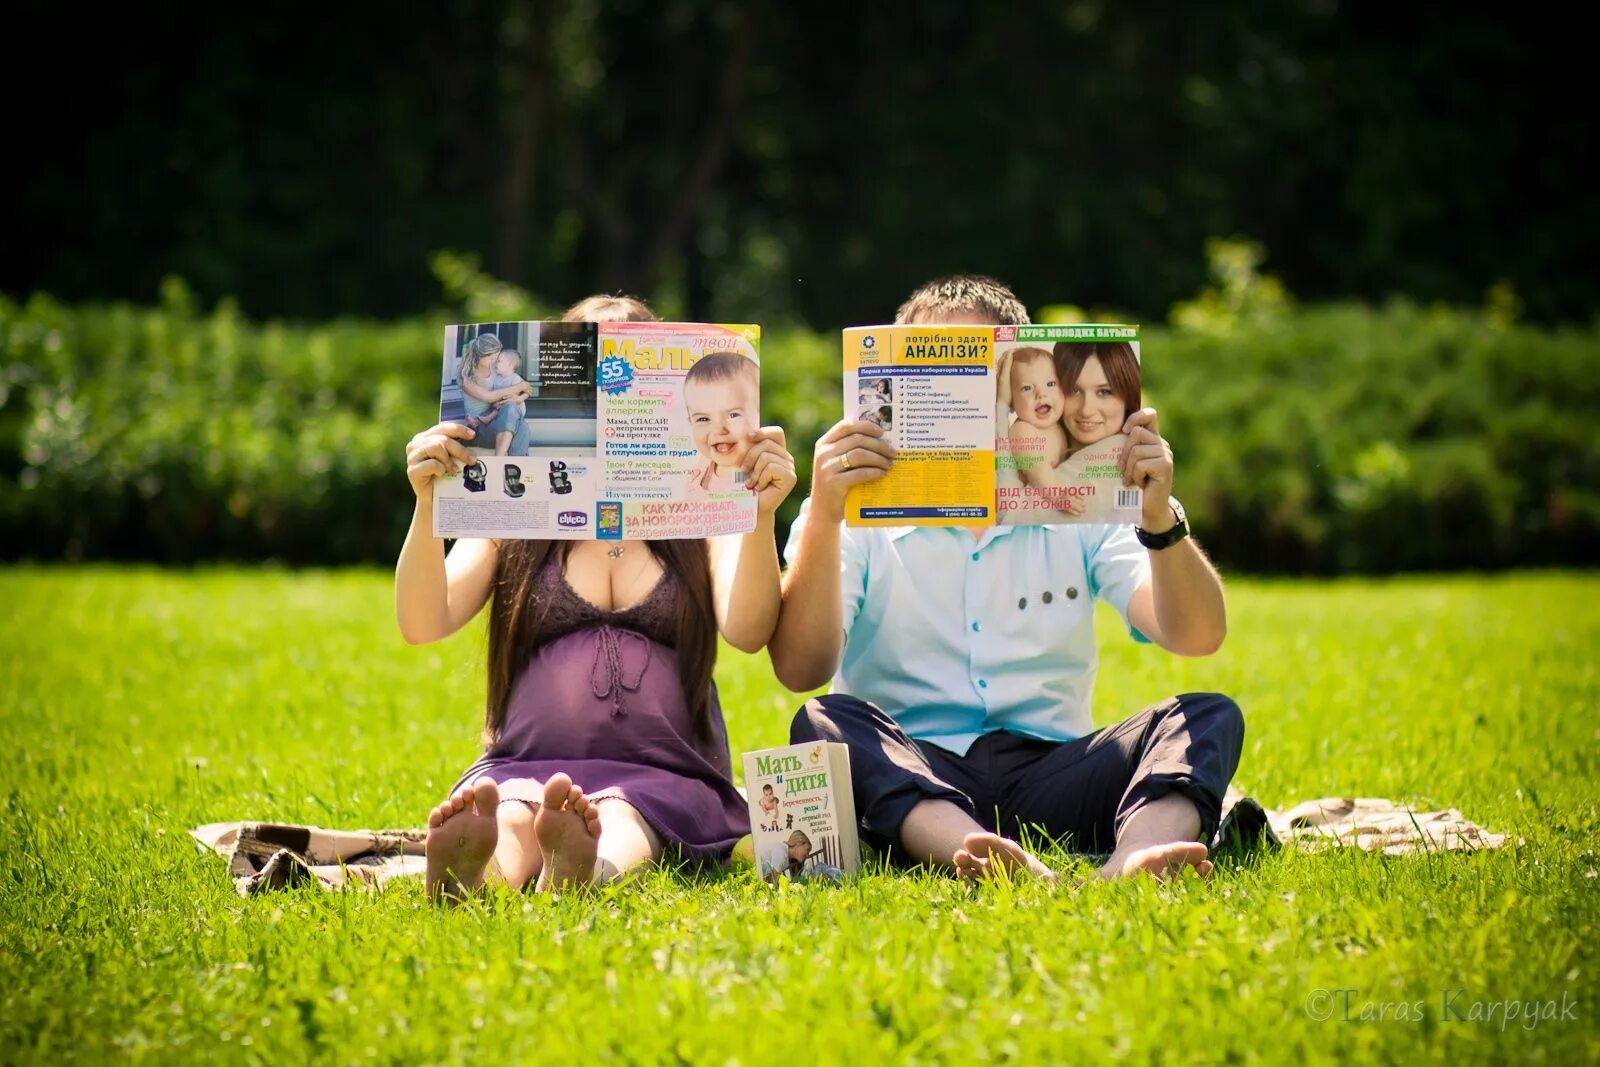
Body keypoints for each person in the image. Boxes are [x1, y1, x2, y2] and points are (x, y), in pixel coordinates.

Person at [768, 274, 1242, 883]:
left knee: (1206, 715)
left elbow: (1198, 635)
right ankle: (975, 850)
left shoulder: (1081, 499)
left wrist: (1159, 519)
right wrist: (827, 514)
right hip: (919, 775)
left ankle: (1134, 859)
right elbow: (800, 671)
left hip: (1055, 770)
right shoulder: (853, 511)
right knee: (825, 721)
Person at [399, 295, 799, 901]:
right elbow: (423, 621)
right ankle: (478, 879)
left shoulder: (704, 507)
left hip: (661, 773)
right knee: (508, 816)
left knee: (622, 821)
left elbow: (747, 630)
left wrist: (761, 514)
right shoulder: (516, 507)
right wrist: (428, 504)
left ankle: (586, 872)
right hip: (522, 766)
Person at [682, 350, 761, 496]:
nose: (719, 429)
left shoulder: (757, 471)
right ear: (691, 422)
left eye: (733, 415)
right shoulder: (700, 471)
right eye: (703, 419)